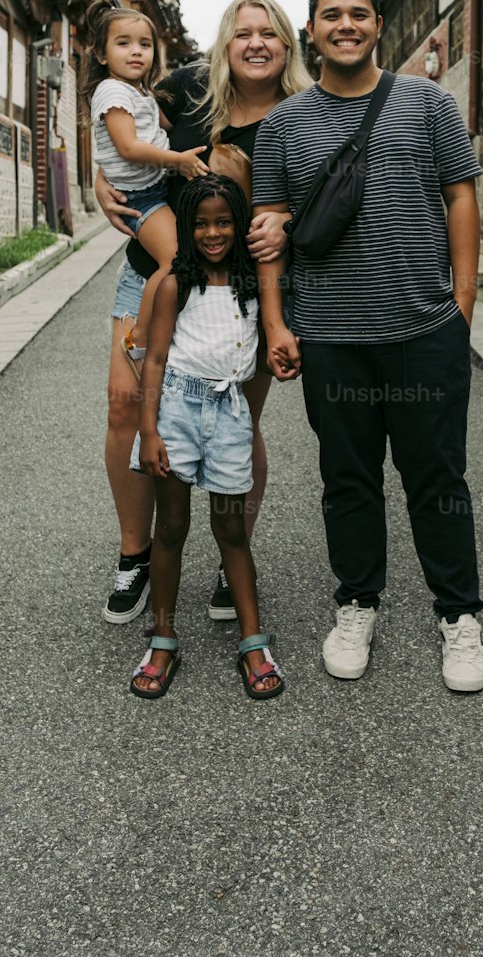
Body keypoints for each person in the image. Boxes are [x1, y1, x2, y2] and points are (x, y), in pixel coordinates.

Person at [252, 0, 483, 693]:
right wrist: (276, 323)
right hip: (330, 334)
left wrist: (463, 302)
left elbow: (459, 195)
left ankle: (459, 617)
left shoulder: (427, 105)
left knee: (437, 477)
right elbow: (270, 228)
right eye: (331, 15)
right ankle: (356, 605)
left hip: (424, 329)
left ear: (378, 25)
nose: (345, 25)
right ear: (311, 30)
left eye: (358, 13)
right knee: (347, 479)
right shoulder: (285, 124)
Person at [95, 0, 312, 627]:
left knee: (234, 415)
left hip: (244, 287)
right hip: (154, 271)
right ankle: (136, 552)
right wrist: (98, 174)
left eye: (268, 32)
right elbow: (111, 111)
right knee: (125, 404)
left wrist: (289, 223)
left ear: (287, 45)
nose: (255, 43)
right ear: (225, 41)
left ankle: (229, 552)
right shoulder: (186, 88)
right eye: (242, 32)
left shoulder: (307, 113)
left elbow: (326, 192)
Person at [131, 174, 283, 702]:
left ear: (239, 226)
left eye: (223, 222)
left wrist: (282, 356)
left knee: (232, 530)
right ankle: (163, 638)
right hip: (175, 409)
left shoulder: (252, 284)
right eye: (200, 223)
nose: (212, 233)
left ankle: (253, 642)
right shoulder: (177, 284)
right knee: (170, 526)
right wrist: (149, 431)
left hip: (230, 413)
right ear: (187, 228)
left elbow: (262, 348)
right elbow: (151, 357)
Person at [82, 0, 209, 359]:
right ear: (103, 55)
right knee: (175, 258)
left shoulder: (138, 92)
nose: (136, 52)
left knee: (176, 258)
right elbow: (129, 147)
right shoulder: (112, 90)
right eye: (123, 43)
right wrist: (178, 161)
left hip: (150, 191)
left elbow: (156, 128)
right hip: (142, 198)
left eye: (145, 44)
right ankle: (139, 335)